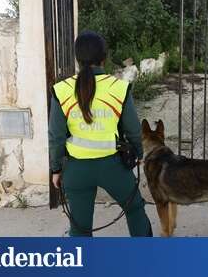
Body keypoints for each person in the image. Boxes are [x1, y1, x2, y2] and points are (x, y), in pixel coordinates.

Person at [49, 31, 152, 237]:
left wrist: (56, 169)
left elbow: (56, 136)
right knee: (135, 209)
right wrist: (139, 155)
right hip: (112, 167)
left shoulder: (61, 90)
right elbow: (132, 129)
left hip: (76, 169)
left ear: (77, 60)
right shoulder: (119, 88)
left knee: (80, 227)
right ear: (104, 58)